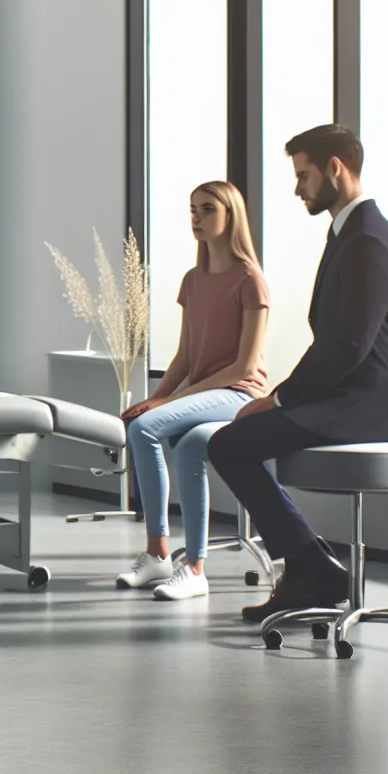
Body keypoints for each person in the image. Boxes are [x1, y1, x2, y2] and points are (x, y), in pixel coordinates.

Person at [207, 124, 388, 623]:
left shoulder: (368, 240)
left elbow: (347, 346)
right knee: (234, 438)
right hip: (354, 398)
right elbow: (337, 344)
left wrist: (280, 399)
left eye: (303, 175)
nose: (297, 188)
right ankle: (310, 563)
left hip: (376, 408)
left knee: (230, 442)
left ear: (335, 169)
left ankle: (310, 565)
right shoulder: (351, 234)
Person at [116, 181, 271, 601]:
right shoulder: (193, 280)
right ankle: (195, 570)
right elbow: (185, 355)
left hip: (240, 393)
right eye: (192, 210)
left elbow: (243, 366)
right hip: (202, 394)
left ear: (230, 216)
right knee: (186, 446)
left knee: (144, 430)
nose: (196, 218)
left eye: (206, 209)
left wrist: (170, 401)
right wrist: (158, 394)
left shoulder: (250, 281)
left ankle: (158, 553)